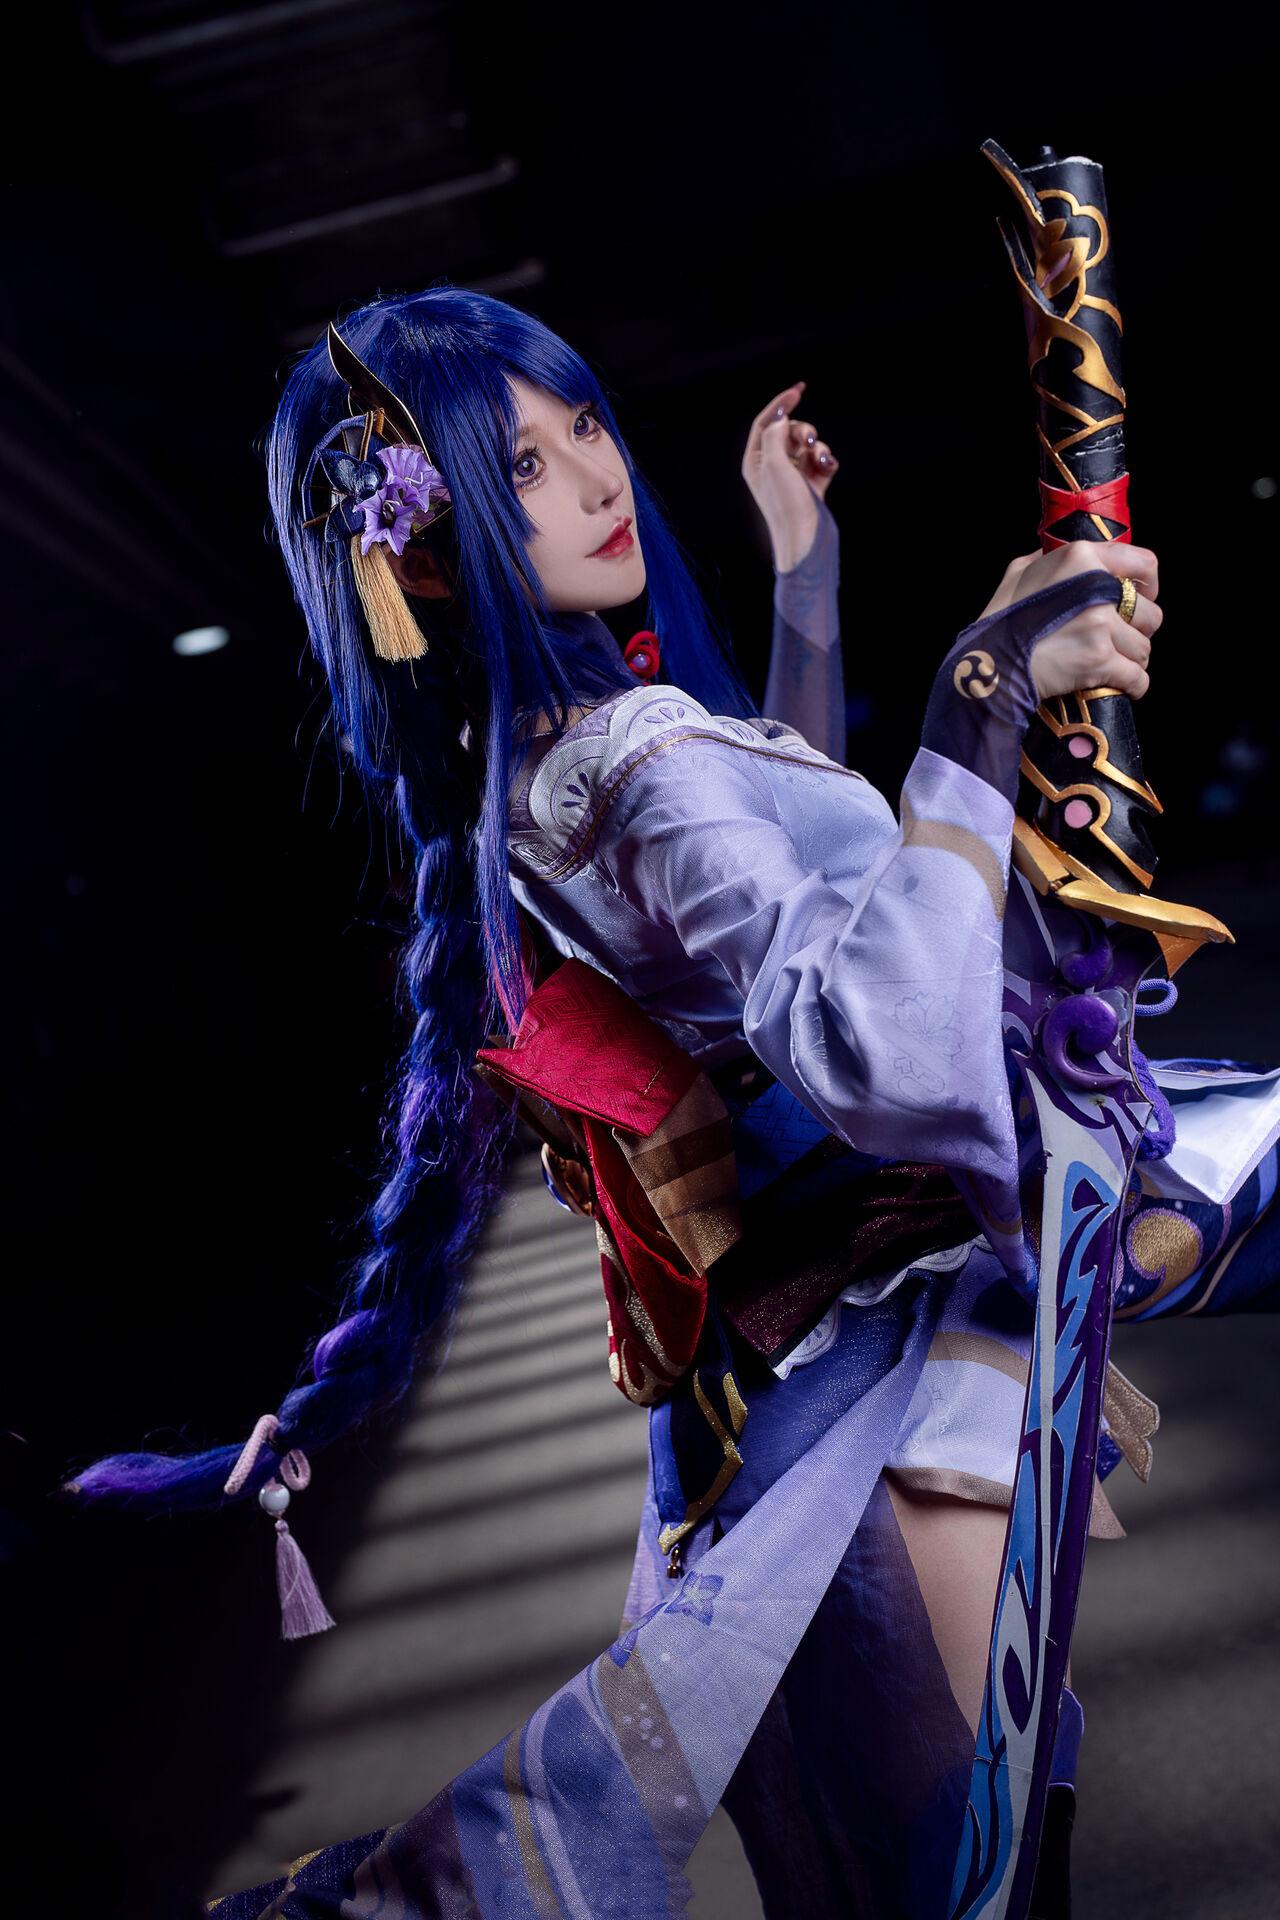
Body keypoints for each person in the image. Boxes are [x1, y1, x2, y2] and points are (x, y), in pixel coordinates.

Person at [63, 286, 1278, 1919]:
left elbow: (777, 892)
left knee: (948, 1867)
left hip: (796, 1352)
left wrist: (804, 570)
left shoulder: (540, 766)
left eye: (584, 424)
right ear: (425, 553)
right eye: (524, 463)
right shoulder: (633, 762)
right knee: (969, 1871)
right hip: (900, 1296)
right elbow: (879, 1045)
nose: (595, 473)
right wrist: (981, 690)